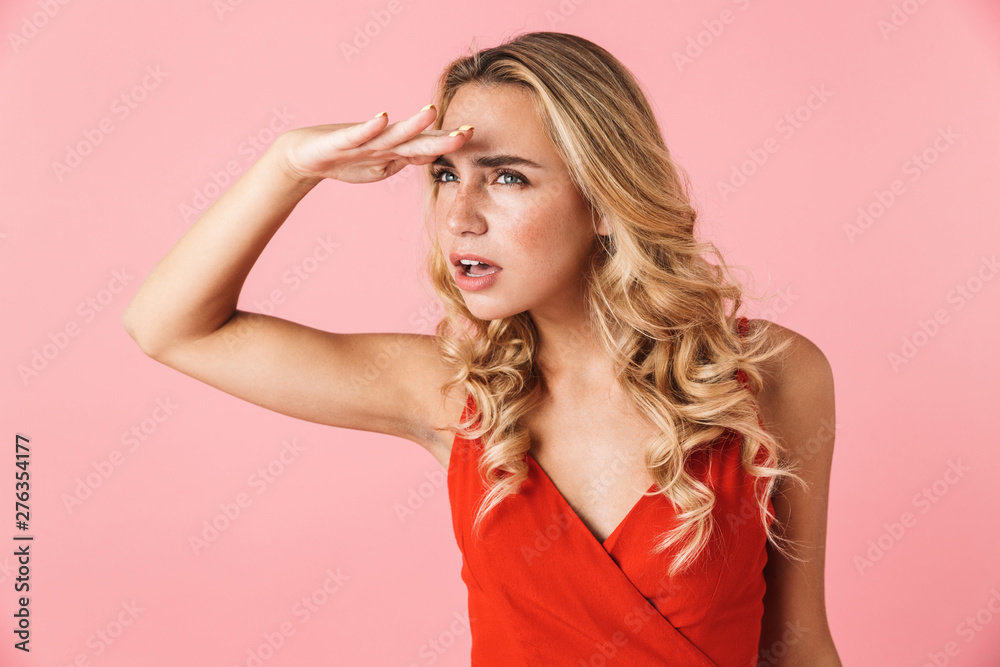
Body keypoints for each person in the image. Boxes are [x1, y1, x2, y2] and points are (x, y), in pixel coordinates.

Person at [123, 31, 841, 666]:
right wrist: (288, 164)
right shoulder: (453, 391)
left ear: (603, 198)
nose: (459, 217)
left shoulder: (771, 377)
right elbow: (170, 325)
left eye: (506, 177)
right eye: (444, 175)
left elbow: (798, 646)